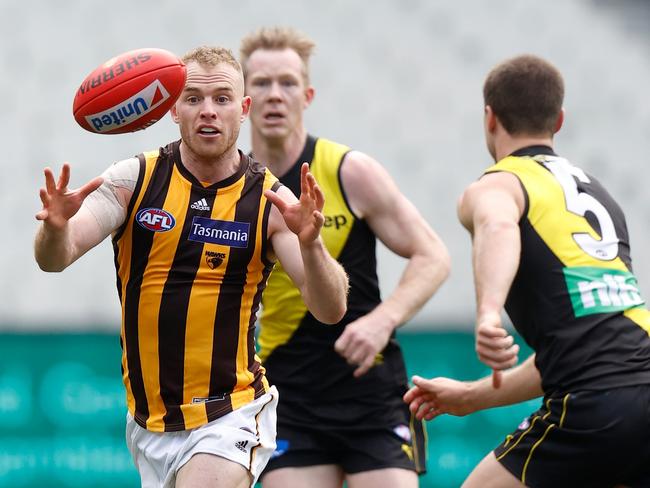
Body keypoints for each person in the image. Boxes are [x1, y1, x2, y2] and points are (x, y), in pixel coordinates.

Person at [34, 45, 349, 488]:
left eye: (222, 99)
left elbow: (330, 309)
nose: (208, 111)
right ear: (172, 110)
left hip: (230, 411)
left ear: (243, 111)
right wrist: (55, 228)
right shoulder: (134, 180)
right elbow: (56, 258)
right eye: (194, 99)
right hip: (149, 422)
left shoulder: (271, 201)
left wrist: (312, 245)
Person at [404, 54, 650, 488]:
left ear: (490, 117)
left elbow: (498, 224)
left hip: (592, 404)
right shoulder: (601, 196)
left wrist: (488, 313)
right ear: (559, 119)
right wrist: (469, 397)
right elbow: (576, 350)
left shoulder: (498, 183)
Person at [239, 27, 450, 488]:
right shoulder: (238, 186)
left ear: (307, 94)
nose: (275, 95)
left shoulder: (348, 170)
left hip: (369, 392)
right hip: (287, 395)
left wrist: (383, 320)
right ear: (243, 98)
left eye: (288, 83)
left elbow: (432, 255)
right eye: (261, 83)